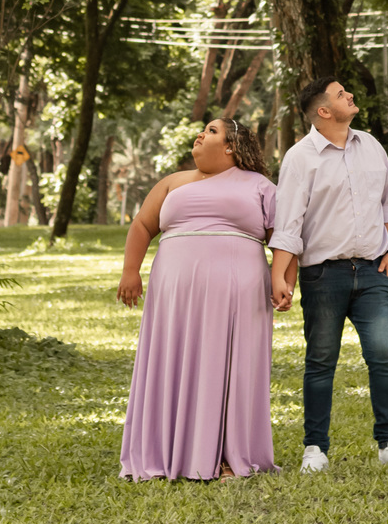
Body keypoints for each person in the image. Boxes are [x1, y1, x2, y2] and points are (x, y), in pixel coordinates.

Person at [270, 75, 388, 471]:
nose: (349, 95)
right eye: (340, 95)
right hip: (323, 276)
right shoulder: (300, 158)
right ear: (323, 111)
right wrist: (279, 278)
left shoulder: (369, 145)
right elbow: (288, 224)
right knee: (320, 361)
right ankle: (314, 449)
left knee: (384, 355)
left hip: (373, 271)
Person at [118, 115, 277, 481]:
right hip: (174, 294)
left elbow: (282, 239)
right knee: (171, 361)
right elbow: (143, 225)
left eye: (211, 130)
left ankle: (225, 457)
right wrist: (131, 271)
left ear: (230, 147)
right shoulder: (172, 183)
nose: (200, 134)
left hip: (238, 295)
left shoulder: (260, 186)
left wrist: (283, 280)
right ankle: (162, 453)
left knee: (228, 369)